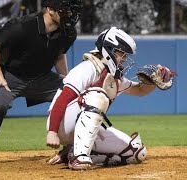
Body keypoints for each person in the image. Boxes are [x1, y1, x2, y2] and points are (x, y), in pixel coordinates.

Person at [0, 0, 83, 165]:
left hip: (42, 78)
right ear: (49, 9)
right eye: (65, 9)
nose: (70, 14)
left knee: (77, 96)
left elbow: (58, 55)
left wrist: (69, 82)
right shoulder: (22, 26)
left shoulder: (68, 32)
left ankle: (73, 148)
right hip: (10, 76)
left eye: (72, 10)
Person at [45, 27, 175, 170]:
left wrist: (154, 81)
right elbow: (63, 98)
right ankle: (78, 157)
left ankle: (71, 152)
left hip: (78, 126)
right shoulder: (88, 68)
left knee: (136, 153)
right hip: (61, 124)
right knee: (97, 96)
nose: (125, 59)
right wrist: (52, 132)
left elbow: (139, 90)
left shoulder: (114, 78)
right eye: (122, 53)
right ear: (109, 50)